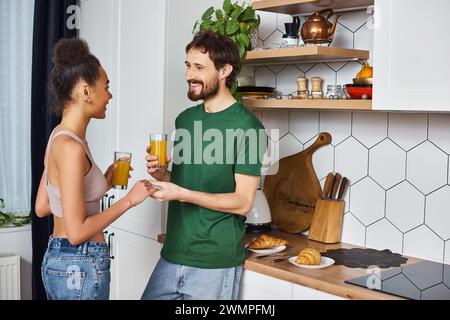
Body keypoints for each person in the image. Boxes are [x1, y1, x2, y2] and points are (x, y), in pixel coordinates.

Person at [141, 30, 267, 300]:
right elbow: (188, 181)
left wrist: (180, 194)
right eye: (188, 65)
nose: (188, 75)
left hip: (214, 261)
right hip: (173, 251)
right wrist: (163, 174)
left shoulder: (248, 127)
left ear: (224, 71)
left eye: (199, 67)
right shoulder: (184, 120)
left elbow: (243, 202)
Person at [35, 38, 156, 300]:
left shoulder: (59, 137)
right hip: (80, 263)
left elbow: (44, 206)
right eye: (106, 87)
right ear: (85, 91)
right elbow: (77, 232)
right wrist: (129, 201)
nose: (109, 95)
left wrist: (104, 181)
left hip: (61, 261)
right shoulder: (71, 148)